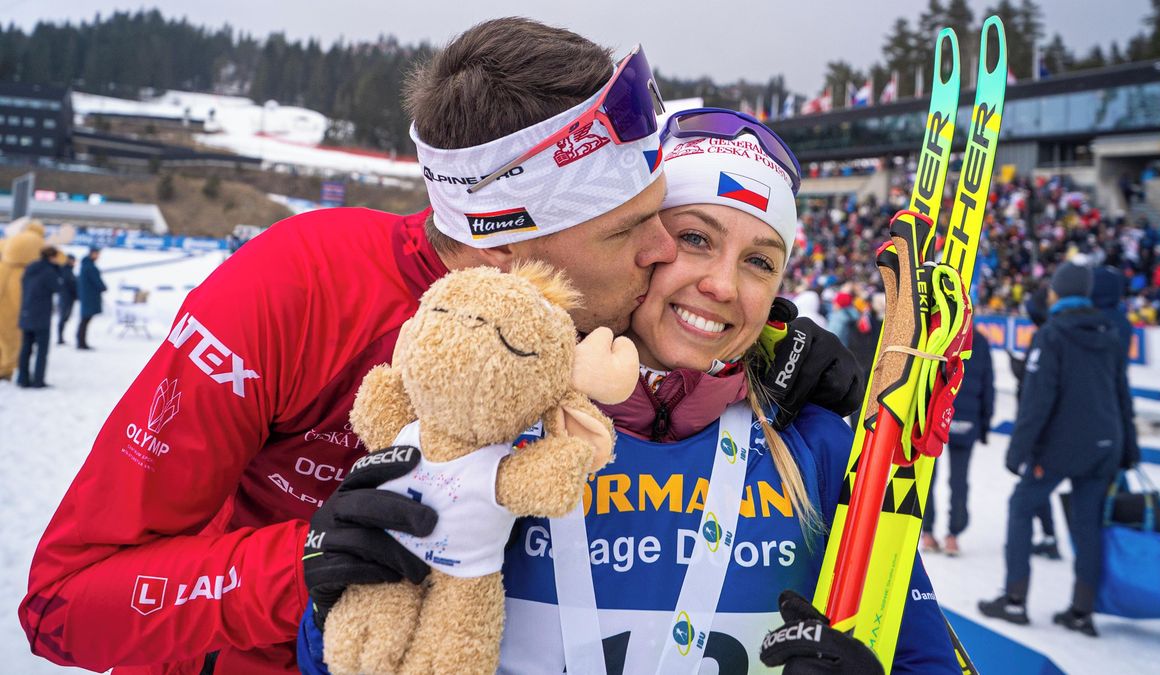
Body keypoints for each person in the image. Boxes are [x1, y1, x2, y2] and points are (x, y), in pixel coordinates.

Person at [20, 20, 860, 675]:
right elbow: (63, 603)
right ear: (503, 256)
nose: (660, 256)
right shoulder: (301, 287)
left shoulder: (583, 304)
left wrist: (780, 344)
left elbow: (697, 322)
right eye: (630, 232)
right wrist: (304, 559)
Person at [296, 109, 954, 674]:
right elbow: (346, 655)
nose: (724, 285)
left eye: (759, 261)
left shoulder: (818, 444)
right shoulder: (494, 423)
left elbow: (929, 657)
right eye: (696, 238)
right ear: (643, 245)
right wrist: (332, 602)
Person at [979, 262, 1139, 637]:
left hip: (1060, 447)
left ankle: (1015, 600)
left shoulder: (1051, 335)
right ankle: (1082, 611)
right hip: (1104, 445)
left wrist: (1018, 452)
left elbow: (1037, 401)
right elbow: (1122, 396)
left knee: (1021, 507)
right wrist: (1128, 450)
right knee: (1088, 526)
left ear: (1058, 292)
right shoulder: (1110, 332)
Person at [920, 327, 994, 556]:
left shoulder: (938, 333)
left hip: (936, 417)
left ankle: (928, 533)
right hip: (966, 420)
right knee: (959, 480)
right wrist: (984, 424)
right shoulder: (980, 340)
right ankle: (953, 536)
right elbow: (988, 384)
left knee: (927, 479)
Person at [1007, 285, 1060, 559]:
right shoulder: (1049, 335)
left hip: (1041, 431)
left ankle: (1048, 537)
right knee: (1035, 485)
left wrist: (1018, 367)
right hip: (1043, 429)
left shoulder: (1046, 337)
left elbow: (1035, 387)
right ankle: (1049, 535)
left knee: (1028, 491)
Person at [0, 218, 47, 381]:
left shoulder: (12, 239)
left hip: (3, 273)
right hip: (21, 284)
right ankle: (8, 367)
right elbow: (58, 258)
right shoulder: (41, 242)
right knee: (15, 331)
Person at [17, 246, 63, 388]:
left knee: (25, 349)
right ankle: (38, 380)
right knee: (42, 351)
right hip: (41, 316)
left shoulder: (30, 268)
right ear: (52, 257)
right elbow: (58, 287)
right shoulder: (49, 271)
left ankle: (22, 379)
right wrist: (57, 269)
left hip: (26, 312)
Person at [76, 247, 107, 350]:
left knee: (85, 320)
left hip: (87, 296)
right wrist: (103, 287)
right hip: (89, 297)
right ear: (92, 254)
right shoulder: (89, 267)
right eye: (97, 254)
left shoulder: (86, 265)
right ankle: (81, 342)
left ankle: (81, 341)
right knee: (85, 319)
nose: (98, 256)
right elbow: (96, 281)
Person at [57, 254, 78, 345]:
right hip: (65, 297)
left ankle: (61, 337)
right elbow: (68, 284)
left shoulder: (69, 270)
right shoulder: (65, 270)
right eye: (72, 260)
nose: (74, 263)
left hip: (68, 297)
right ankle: (60, 338)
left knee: (65, 317)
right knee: (63, 317)